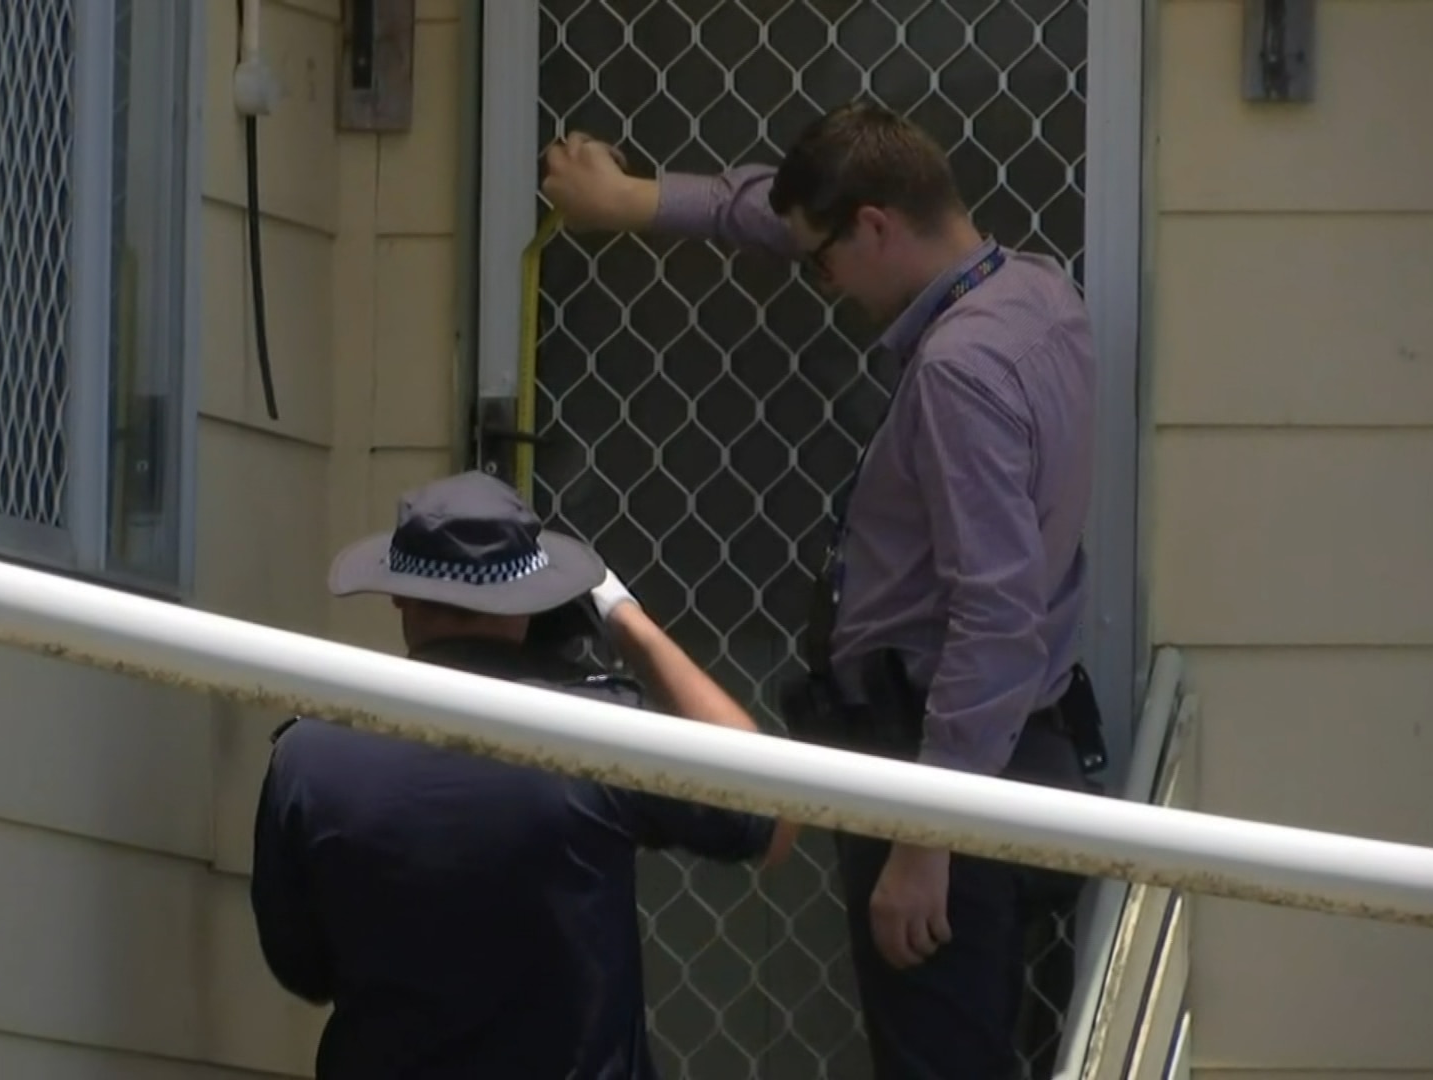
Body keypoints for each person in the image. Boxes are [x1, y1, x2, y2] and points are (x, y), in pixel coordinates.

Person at [540, 103, 1105, 1079]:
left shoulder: (960, 373)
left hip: (938, 759)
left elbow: (995, 612)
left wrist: (929, 840)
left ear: (877, 226)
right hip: (1008, 747)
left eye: (824, 259)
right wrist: (634, 201)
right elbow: (791, 210)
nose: (822, 281)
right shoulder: (1036, 295)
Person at [250, 470, 799, 1080]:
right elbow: (771, 815)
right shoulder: (598, 737)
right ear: (532, 601)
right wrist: (629, 624)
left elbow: (301, 968)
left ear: (399, 595)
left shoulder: (312, 755)